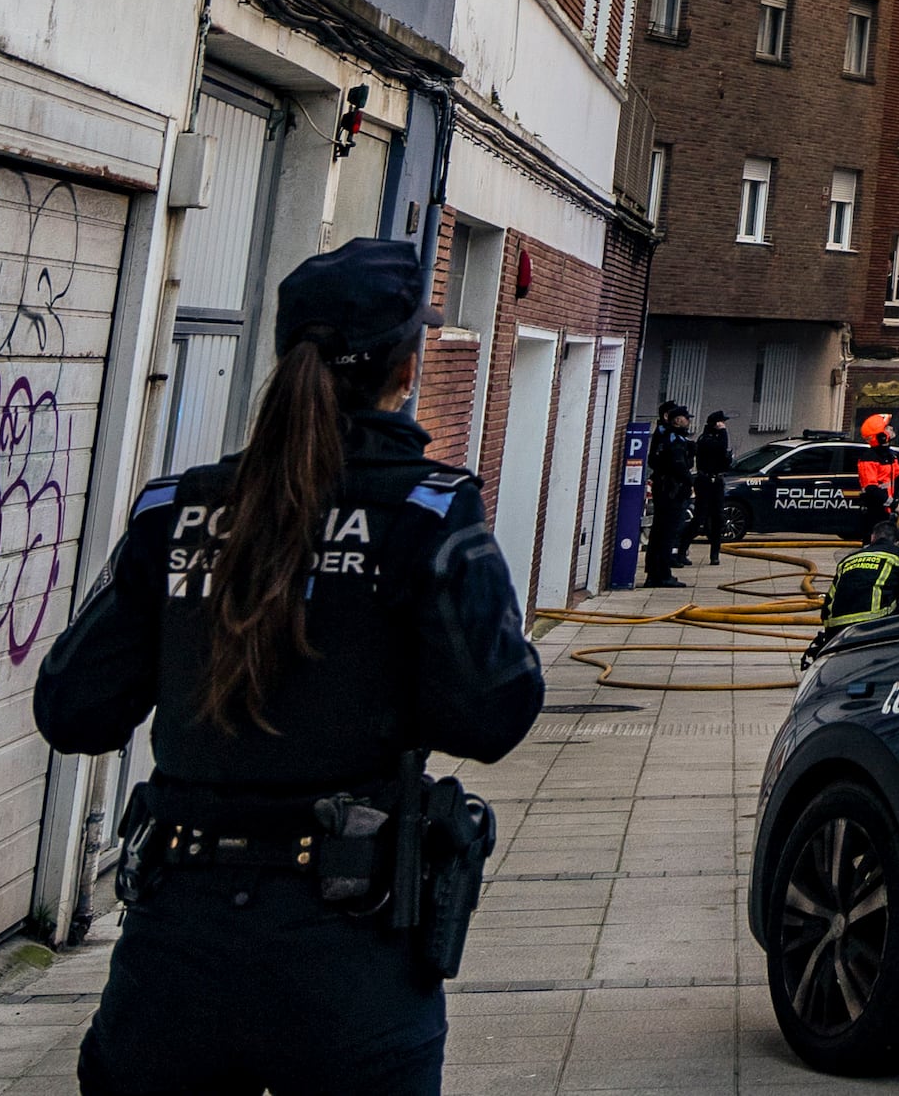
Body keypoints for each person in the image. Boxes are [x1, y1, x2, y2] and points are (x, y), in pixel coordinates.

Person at [36, 238, 543, 1096]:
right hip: (347, 963)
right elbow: (493, 713)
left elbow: (72, 705)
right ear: (406, 368)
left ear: (283, 358)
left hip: (177, 954)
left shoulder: (179, 508)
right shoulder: (426, 511)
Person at [642, 403, 692, 588]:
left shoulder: (663, 436)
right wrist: (689, 480)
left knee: (658, 532)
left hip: (664, 489)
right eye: (686, 418)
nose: (688, 422)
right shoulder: (673, 439)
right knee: (666, 533)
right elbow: (678, 466)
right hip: (672, 491)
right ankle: (662, 574)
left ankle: (655, 573)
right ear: (678, 420)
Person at [691, 410, 735, 565]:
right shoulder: (706, 439)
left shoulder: (715, 438)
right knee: (699, 518)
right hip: (705, 481)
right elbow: (720, 448)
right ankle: (681, 548)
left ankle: (714, 554)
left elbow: (723, 456)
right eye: (722, 423)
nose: (724, 425)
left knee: (718, 518)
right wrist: (723, 432)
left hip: (717, 481)